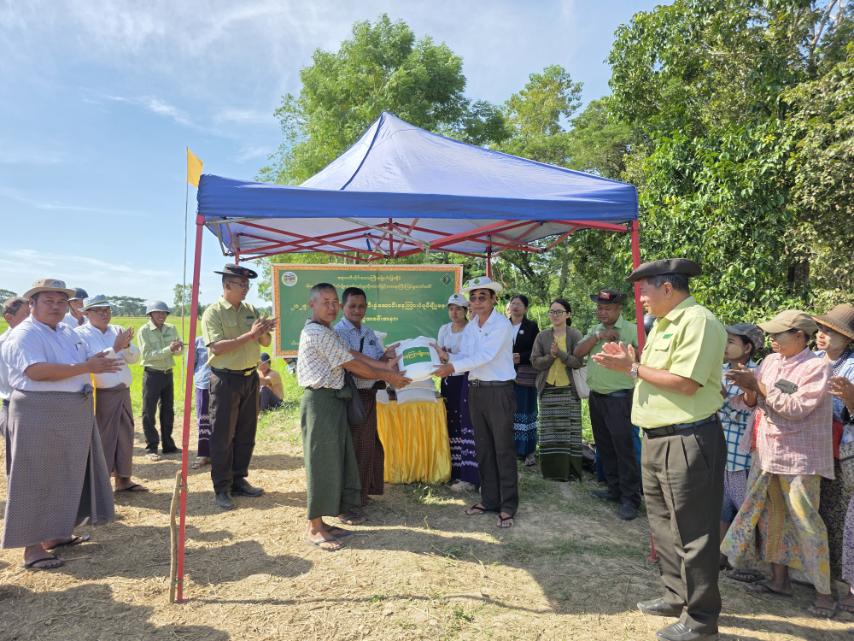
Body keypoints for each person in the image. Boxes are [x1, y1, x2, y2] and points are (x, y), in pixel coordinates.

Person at [593, 259, 726, 641]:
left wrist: (632, 368)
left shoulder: (698, 321)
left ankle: (700, 620)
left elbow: (685, 382)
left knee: (695, 532)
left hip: (688, 439)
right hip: (657, 438)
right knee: (664, 526)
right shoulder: (664, 324)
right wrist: (631, 364)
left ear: (668, 288)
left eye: (645, 291)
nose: (642, 300)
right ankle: (675, 595)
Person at [721, 310, 835, 618]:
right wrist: (748, 388)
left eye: (778, 334)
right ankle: (778, 581)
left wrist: (758, 387)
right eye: (770, 334)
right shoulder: (770, 362)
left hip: (799, 459)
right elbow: (754, 404)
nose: (772, 339)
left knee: (806, 522)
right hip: (766, 453)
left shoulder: (816, 367)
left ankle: (824, 594)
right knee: (771, 520)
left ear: (799, 336)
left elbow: (796, 408)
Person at [1, 279, 117, 570]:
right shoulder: (25, 333)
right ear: (32, 304)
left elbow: (77, 361)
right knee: (36, 477)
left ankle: (55, 533)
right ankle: (31, 548)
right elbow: (36, 371)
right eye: (48, 301)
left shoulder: (66, 331)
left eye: (61, 301)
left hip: (72, 410)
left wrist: (94, 361)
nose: (56, 307)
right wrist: (87, 367)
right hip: (39, 410)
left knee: (67, 473)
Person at [297, 283, 409, 551]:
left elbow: (354, 354)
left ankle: (324, 522)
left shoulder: (327, 331)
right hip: (321, 401)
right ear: (312, 304)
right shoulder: (316, 332)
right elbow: (353, 364)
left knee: (335, 461)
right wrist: (388, 375)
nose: (331, 307)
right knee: (321, 463)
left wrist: (384, 367)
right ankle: (314, 527)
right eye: (325, 302)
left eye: (334, 302)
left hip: (335, 400)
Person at [434, 276, 518, 529]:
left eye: (483, 297)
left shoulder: (501, 324)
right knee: (483, 447)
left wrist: (451, 367)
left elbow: (485, 356)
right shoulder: (472, 326)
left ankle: (508, 505)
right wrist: (444, 359)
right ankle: (489, 500)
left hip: (499, 390)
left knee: (502, 448)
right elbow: (467, 356)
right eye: (473, 297)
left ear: (494, 300)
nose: (477, 302)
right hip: (476, 390)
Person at [202, 264, 274, 510]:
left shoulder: (250, 310)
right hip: (225, 379)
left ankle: (238, 479)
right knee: (222, 435)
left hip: (249, 377)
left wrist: (264, 331)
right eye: (241, 284)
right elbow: (217, 347)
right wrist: (251, 335)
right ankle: (222, 487)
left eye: (247, 285)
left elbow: (265, 341)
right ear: (227, 285)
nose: (245, 289)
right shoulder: (213, 313)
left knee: (246, 433)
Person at [574, 289, 640, 520]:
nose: (602, 312)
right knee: (605, 446)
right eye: (600, 308)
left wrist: (626, 351)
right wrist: (598, 336)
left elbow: (644, 360)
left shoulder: (632, 330)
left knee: (624, 449)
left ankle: (630, 498)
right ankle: (614, 490)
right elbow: (577, 352)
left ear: (619, 309)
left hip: (619, 398)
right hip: (597, 397)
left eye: (607, 308)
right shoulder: (595, 330)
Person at [76, 295, 147, 493]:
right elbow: (91, 361)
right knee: (103, 437)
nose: (104, 314)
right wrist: (115, 348)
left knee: (125, 434)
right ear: (87, 313)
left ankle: (123, 479)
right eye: (99, 310)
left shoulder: (117, 330)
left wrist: (126, 345)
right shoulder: (79, 335)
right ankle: (100, 483)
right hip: (100, 394)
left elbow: (134, 358)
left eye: (107, 310)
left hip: (122, 391)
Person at [334, 287, 392, 510]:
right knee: (353, 447)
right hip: (350, 398)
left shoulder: (368, 332)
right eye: (352, 306)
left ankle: (364, 491)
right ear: (343, 307)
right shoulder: (338, 333)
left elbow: (378, 360)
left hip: (369, 395)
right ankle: (349, 498)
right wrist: (387, 374)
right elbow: (353, 367)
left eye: (361, 306)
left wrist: (387, 357)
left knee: (369, 445)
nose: (357, 310)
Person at [813, 305, 854, 594]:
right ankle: (820, 576)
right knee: (820, 510)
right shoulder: (812, 360)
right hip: (814, 447)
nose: (822, 334)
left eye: (830, 331)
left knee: (841, 513)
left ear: (847, 338)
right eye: (821, 328)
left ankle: (841, 582)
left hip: (843, 451)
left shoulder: (851, 367)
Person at [717, 323, 763, 577]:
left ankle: (746, 563)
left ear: (747, 348)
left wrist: (722, 398)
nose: (725, 346)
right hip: (721, 452)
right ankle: (721, 556)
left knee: (744, 509)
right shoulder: (720, 370)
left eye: (731, 341)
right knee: (721, 507)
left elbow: (747, 413)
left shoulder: (755, 375)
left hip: (742, 457)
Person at [530, 298, 584, 482]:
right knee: (549, 432)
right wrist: (551, 357)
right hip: (548, 389)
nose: (555, 315)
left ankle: (571, 471)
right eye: (552, 311)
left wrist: (560, 354)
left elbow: (578, 362)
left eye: (559, 312)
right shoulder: (542, 336)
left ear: (568, 314)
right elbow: (535, 362)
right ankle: (551, 471)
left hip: (569, 390)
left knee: (570, 433)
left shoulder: (575, 335)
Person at [437, 293, 479, 492]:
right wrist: (444, 356)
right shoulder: (444, 329)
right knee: (450, 419)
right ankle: (453, 468)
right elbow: (440, 354)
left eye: (458, 309)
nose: (454, 313)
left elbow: (468, 357)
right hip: (448, 379)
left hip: (465, 379)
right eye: (451, 308)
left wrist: (448, 356)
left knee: (464, 421)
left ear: (466, 311)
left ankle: (467, 470)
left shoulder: (472, 329)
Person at [137, 300, 183, 458]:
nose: (161, 315)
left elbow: (178, 353)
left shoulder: (171, 328)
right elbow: (147, 355)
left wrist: (178, 349)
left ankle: (168, 445)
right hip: (152, 375)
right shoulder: (144, 331)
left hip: (167, 374)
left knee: (168, 411)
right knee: (149, 411)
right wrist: (169, 349)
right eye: (158, 312)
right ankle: (151, 447)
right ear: (150, 314)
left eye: (164, 313)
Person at [507, 294, 540, 466]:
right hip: (504, 375)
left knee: (526, 411)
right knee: (508, 412)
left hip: (525, 375)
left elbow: (537, 350)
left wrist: (522, 356)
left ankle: (529, 451)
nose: (515, 306)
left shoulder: (531, 326)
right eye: (513, 303)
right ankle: (511, 449)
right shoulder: (502, 325)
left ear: (525, 308)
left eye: (519, 304)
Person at [0, 296, 30, 470]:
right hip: (14, 406)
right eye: (26, 314)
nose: (31, 318)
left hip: (34, 406)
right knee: (16, 460)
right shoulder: (4, 343)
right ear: (9, 318)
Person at [192, 335, 212, 469]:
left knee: (221, 420)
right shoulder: (199, 341)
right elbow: (191, 363)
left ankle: (219, 453)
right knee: (204, 419)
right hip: (203, 384)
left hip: (223, 384)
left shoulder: (225, 337)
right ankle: (204, 454)